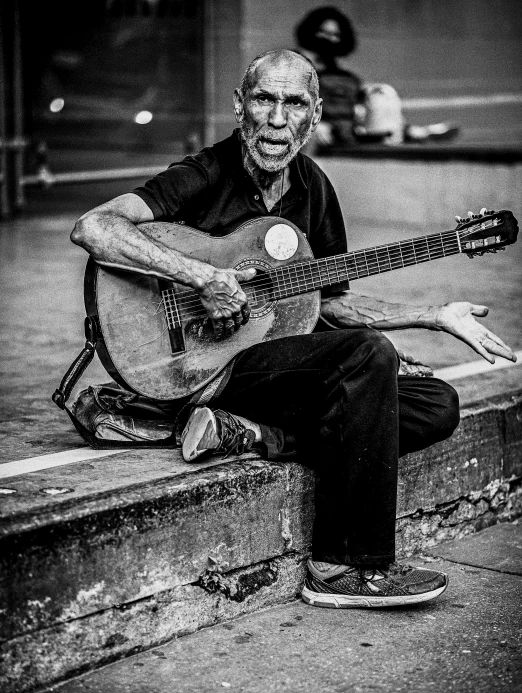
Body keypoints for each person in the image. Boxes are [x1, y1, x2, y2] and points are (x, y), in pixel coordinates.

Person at [70, 49, 515, 609]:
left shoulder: (314, 188)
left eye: (294, 103)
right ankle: (342, 566)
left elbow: (332, 305)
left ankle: (255, 436)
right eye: (263, 99)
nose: (277, 120)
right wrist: (202, 276)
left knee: (436, 403)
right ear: (240, 106)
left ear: (315, 113)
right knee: (368, 358)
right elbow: (94, 227)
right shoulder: (205, 174)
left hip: (282, 370)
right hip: (208, 365)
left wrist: (432, 315)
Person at [295, 6, 459, 150]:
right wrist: (312, 126)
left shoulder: (344, 77)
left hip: (347, 132)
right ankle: (410, 133)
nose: (329, 39)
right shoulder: (293, 65)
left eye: (335, 35)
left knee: (382, 92)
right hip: (313, 136)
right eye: (323, 33)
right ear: (311, 32)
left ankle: (408, 132)